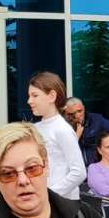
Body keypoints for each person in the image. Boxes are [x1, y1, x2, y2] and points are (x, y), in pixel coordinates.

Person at [26, 73, 86, 202]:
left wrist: (50, 194)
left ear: (52, 96)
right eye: (29, 96)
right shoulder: (35, 128)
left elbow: (79, 172)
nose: (29, 101)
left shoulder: (62, 129)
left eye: (35, 95)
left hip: (61, 204)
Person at [63, 97, 109, 166]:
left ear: (84, 108)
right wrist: (76, 137)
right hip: (75, 169)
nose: (77, 115)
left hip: (97, 168)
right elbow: (63, 152)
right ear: (66, 113)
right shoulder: (62, 125)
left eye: (80, 111)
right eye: (72, 114)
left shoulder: (96, 121)